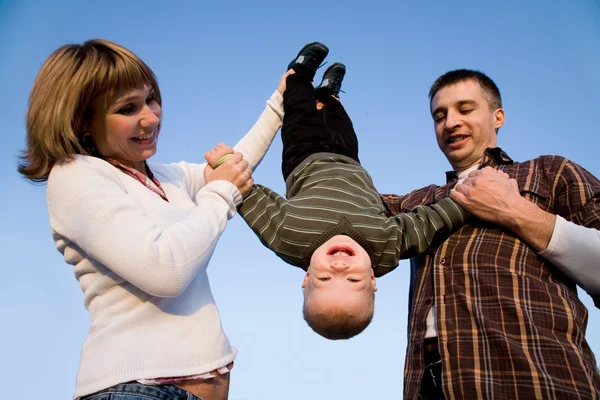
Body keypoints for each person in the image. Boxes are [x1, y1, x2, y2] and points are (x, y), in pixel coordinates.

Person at [18, 39, 290, 400]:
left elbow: (233, 167)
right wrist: (221, 194)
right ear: (81, 122)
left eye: (150, 98)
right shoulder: (76, 177)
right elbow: (166, 270)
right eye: (128, 108)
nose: (151, 117)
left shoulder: (163, 178)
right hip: (135, 390)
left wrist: (282, 101)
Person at [205, 42, 468, 341]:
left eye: (326, 278)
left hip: (304, 156)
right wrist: (466, 201)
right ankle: (329, 93)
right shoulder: (386, 249)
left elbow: (248, 194)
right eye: (353, 278)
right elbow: (427, 223)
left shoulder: (289, 238)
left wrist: (225, 163)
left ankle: (299, 74)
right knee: (340, 120)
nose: (340, 266)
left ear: (306, 278)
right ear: (373, 278)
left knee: (300, 110)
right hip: (350, 159)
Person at [381, 69, 600, 399]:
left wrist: (517, 211)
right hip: (429, 386)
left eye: (465, 109)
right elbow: (338, 202)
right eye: (440, 116)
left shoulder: (551, 173)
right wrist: (304, 115)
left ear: (498, 116)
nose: (450, 122)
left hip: (542, 381)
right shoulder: (419, 202)